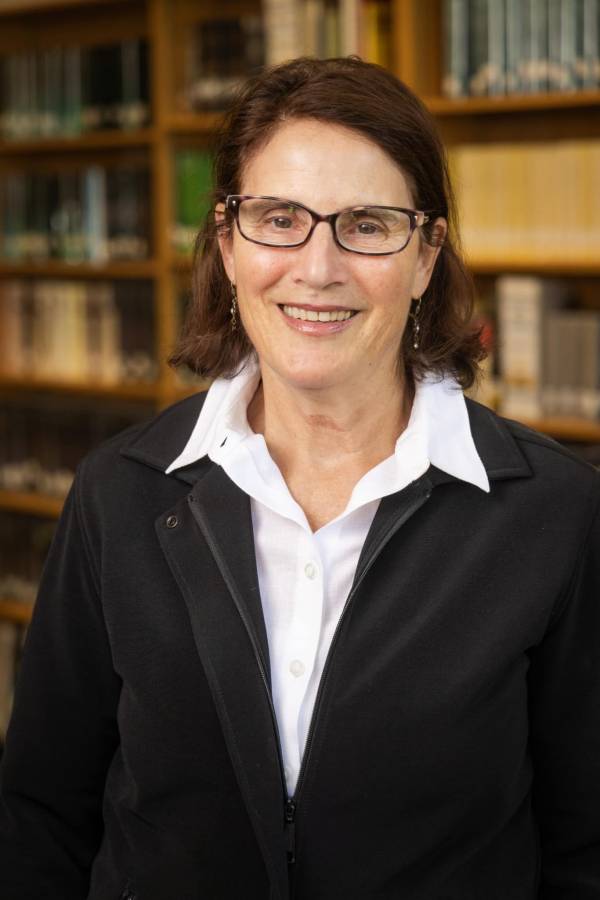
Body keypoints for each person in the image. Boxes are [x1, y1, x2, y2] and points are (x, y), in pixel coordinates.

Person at [0, 56, 599, 900]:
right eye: (279, 217)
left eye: (367, 223)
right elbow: (39, 817)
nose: (317, 267)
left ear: (426, 255)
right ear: (227, 242)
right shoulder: (119, 493)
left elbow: (586, 849)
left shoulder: (558, 515)